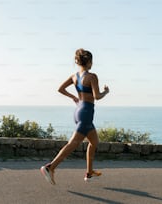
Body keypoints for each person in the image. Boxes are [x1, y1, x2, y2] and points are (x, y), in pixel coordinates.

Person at [40, 48, 109, 185]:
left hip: (79, 111)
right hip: (86, 113)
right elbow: (97, 96)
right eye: (92, 61)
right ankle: (50, 167)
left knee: (94, 142)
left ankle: (89, 173)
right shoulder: (92, 77)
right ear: (89, 62)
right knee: (72, 144)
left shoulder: (74, 76)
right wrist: (106, 92)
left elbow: (60, 89)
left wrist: (73, 97)